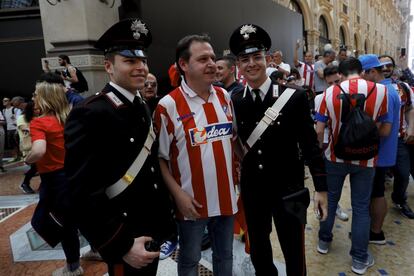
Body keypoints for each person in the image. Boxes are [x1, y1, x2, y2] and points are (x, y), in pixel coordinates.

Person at [64, 18, 175, 276]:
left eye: (142, 60)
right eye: (130, 61)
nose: (140, 68)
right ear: (108, 67)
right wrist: (121, 244)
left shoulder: (141, 105)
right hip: (124, 232)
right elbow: (81, 192)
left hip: (150, 226)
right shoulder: (90, 112)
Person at [229, 23, 328, 276]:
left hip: (288, 189)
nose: (251, 64)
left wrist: (321, 189)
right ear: (238, 65)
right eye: (244, 59)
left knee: (294, 252)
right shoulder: (234, 101)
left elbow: (310, 147)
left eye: (257, 57)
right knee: (260, 252)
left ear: (268, 59)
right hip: (253, 191)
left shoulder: (292, 97)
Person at [154, 34, 238, 276]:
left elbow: (231, 142)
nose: (212, 63)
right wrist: (178, 195)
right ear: (183, 64)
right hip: (192, 205)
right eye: (203, 59)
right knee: (190, 259)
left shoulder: (225, 97)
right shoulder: (167, 106)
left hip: (226, 200)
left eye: (213, 57)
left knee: (225, 256)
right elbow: (160, 157)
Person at [315, 57, 389, 275]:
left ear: (341, 73)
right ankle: (358, 258)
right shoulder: (381, 92)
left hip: (335, 158)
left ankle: (323, 242)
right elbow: (382, 125)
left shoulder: (327, 94)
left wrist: (320, 150)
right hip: (366, 160)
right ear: (362, 71)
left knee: (329, 199)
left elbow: (319, 129)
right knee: (360, 207)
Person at [25, 81, 82, 276]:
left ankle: (73, 267)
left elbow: (39, 150)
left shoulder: (39, 122)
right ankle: (98, 250)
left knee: (61, 223)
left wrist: (28, 158)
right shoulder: (71, 119)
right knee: (79, 218)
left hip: (55, 181)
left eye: (36, 94)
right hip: (76, 175)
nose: (33, 98)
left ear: (45, 98)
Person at [358, 55, 401, 245]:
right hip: (381, 152)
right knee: (374, 192)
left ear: (372, 72)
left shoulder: (385, 92)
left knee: (376, 193)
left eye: (362, 74)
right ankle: (372, 229)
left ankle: (376, 233)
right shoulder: (387, 89)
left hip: (380, 153)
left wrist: (361, 125)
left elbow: (385, 129)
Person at [379, 54, 414, 219]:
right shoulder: (372, 87)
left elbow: (408, 109)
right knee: (375, 177)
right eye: (382, 65)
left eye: (388, 65)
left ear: (393, 67)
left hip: (399, 139)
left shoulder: (403, 87)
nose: (385, 68)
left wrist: (411, 128)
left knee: (403, 172)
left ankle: (399, 199)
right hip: (378, 140)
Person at [17, 101, 38, 194]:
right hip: (29, 146)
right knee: (36, 167)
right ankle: (25, 183)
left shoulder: (38, 117)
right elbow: (24, 128)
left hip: (38, 144)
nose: (37, 110)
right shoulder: (21, 118)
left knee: (38, 167)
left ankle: (45, 184)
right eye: (35, 109)